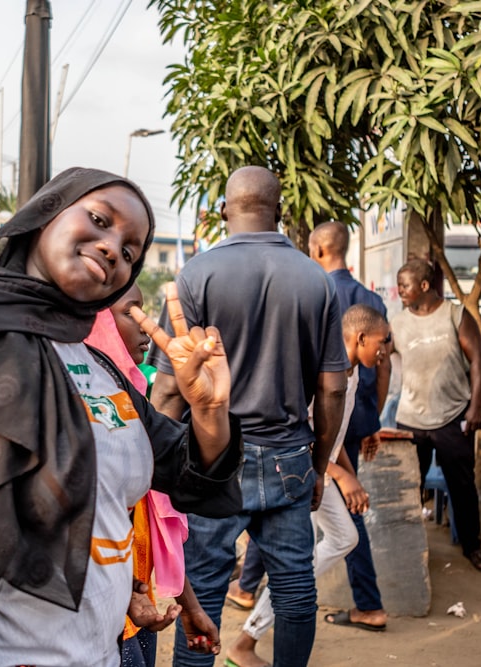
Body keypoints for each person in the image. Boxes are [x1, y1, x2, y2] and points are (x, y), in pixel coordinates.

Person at [0, 167, 244, 667]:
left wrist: (208, 410)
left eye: (131, 250)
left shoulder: (99, 368)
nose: (114, 247)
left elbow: (187, 473)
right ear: (47, 213)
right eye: (99, 219)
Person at [147, 165, 349, 667]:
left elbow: (170, 390)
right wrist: (320, 466)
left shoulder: (195, 275)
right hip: (290, 458)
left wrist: (155, 474)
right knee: (296, 591)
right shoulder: (315, 280)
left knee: (204, 593)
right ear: (278, 211)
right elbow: (332, 387)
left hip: (214, 462)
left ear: (222, 210)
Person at [225, 304, 389, 667]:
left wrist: (348, 471)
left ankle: (250, 634)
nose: (385, 350)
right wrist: (342, 475)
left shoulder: (355, 373)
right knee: (311, 561)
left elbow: (334, 434)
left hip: (322, 471)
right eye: (383, 342)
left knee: (338, 543)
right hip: (302, 473)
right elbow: (306, 438)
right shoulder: (324, 373)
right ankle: (245, 641)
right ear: (360, 338)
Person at [89, 283, 220, 667]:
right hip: (101, 622)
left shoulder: (134, 406)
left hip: (138, 606)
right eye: (131, 313)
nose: (146, 329)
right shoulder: (87, 417)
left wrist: (189, 606)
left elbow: (160, 517)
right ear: (97, 323)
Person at [391, 258, 481, 574]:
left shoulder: (454, 315)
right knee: (410, 486)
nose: (400, 292)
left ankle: (472, 547)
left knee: (462, 487)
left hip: (453, 416)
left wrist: (476, 407)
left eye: (405, 286)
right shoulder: (396, 322)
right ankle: (407, 549)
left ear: (424, 286)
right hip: (411, 419)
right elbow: (381, 363)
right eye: (399, 286)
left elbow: (478, 360)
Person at [308, 221, 390, 631]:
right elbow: (384, 365)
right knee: (327, 512)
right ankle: (263, 593)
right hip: (336, 434)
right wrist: (373, 420)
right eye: (381, 342)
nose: (384, 348)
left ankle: (257, 590)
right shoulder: (370, 298)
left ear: (319, 250)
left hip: (324, 436)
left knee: (328, 513)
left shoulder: (312, 291)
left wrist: (339, 471)